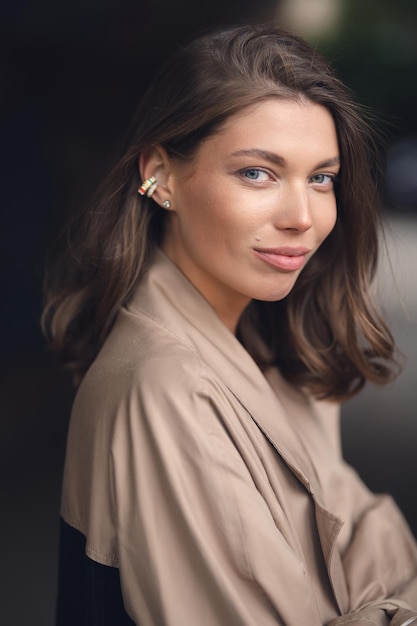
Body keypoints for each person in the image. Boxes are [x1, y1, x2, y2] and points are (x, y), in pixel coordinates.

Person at [42, 23, 417, 626]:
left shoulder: (268, 341)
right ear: (159, 176)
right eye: (257, 173)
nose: (302, 216)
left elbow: (368, 533)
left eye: (321, 177)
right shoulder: (168, 386)